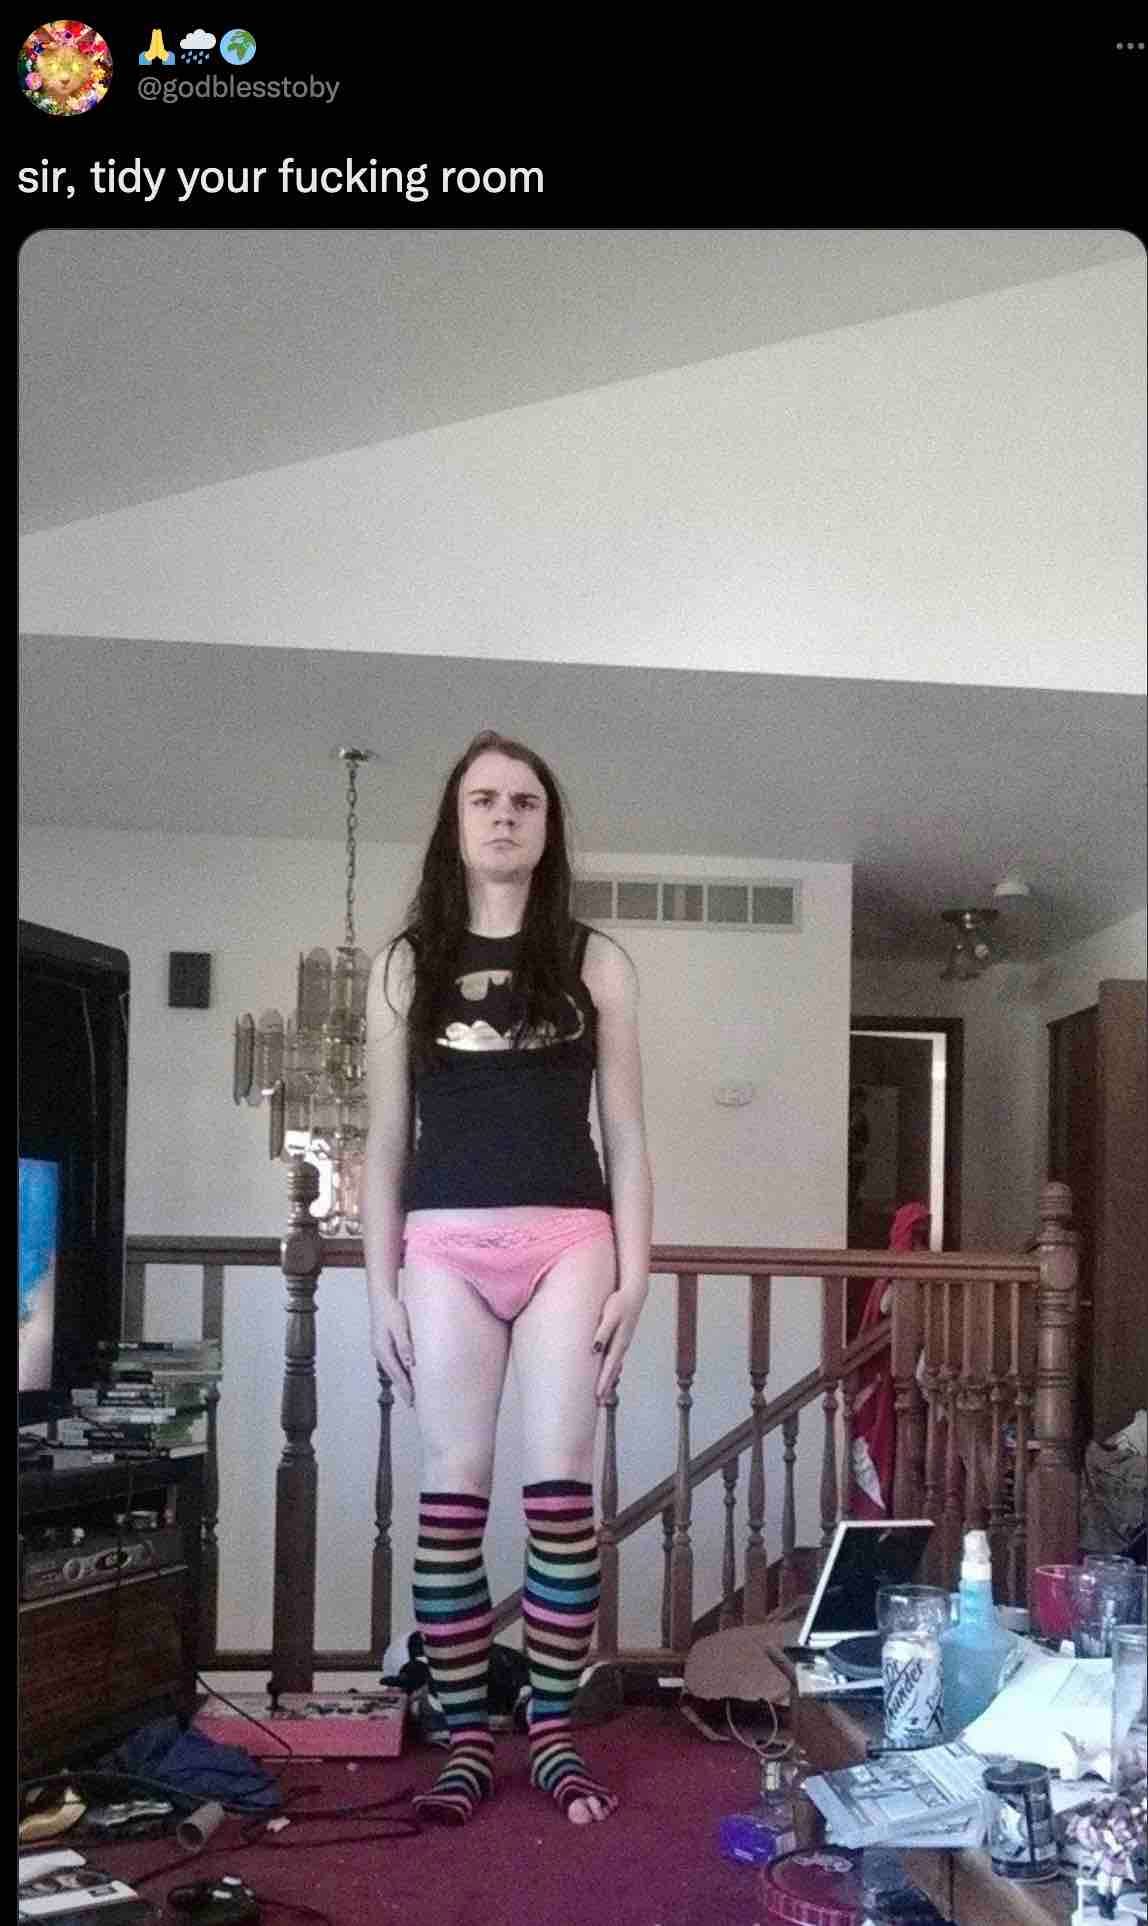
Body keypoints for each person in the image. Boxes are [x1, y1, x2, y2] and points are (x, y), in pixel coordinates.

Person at [361, 730, 653, 1828]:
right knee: (452, 1490)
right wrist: (378, 1287)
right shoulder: (405, 965)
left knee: (561, 1489)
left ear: (546, 826)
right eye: (483, 799)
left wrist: (638, 1273)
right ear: (455, 822)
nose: (502, 816)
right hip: (440, 1246)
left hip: (570, 1239)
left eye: (523, 801)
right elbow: (384, 1141)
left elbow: (627, 1132)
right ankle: (464, 1742)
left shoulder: (595, 960)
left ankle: (554, 1732)